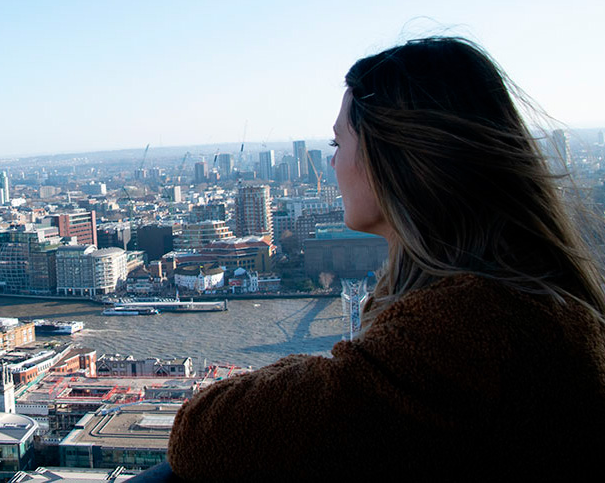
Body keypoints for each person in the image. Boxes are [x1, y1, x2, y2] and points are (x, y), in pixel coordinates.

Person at [166, 37, 605, 481]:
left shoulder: (463, 331)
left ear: (389, 157)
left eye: (338, 143)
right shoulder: (528, 292)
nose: (333, 163)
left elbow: (203, 435)